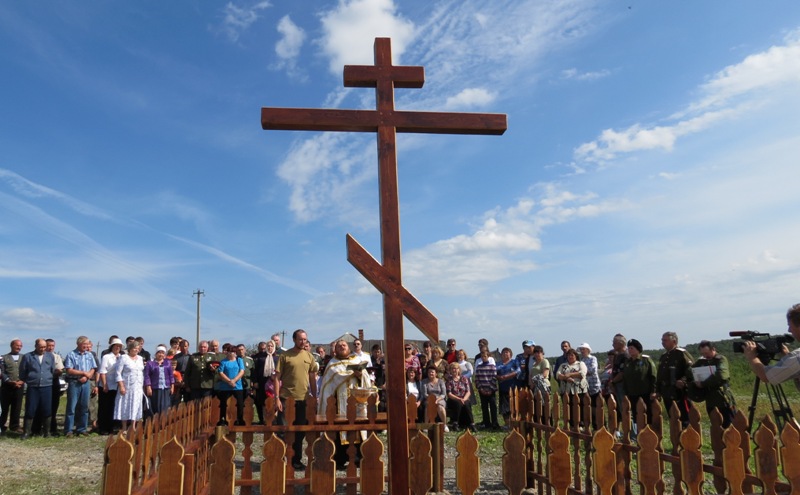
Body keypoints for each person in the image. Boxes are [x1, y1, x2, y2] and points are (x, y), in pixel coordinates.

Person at [317, 339, 373, 469]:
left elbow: (365, 378)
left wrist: (360, 375)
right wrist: (352, 373)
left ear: (349, 348)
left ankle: (358, 457)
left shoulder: (356, 361)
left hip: (356, 401)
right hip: (338, 402)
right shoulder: (332, 364)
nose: (342, 347)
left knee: (358, 428)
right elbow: (331, 383)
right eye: (339, 346)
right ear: (335, 350)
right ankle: (340, 458)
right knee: (339, 428)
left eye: (344, 345)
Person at [274, 329, 318, 471]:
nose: (303, 342)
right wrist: (276, 398)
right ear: (294, 339)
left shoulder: (309, 356)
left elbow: (312, 377)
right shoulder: (285, 356)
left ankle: (296, 460)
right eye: (300, 339)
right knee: (283, 430)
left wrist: (315, 396)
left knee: (300, 432)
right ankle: (279, 459)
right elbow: (276, 378)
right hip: (286, 398)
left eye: (305, 339)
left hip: (303, 399)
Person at [744, 303, 800, 390]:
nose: (789, 330)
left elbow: (766, 376)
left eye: (790, 326)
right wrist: (787, 356)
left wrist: (752, 357)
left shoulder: (797, 357)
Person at [688, 340, 736, 427]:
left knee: (729, 425)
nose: (705, 356)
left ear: (713, 349)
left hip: (722, 397)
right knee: (716, 425)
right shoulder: (702, 361)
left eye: (707, 353)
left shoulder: (720, 359)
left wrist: (703, 383)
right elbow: (690, 372)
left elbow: (721, 375)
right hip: (710, 399)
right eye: (703, 354)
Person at [19, 338, 56, 439]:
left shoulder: (50, 356)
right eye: (41, 347)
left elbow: (52, 370)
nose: (43, 349)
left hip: (46, 386)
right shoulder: (28, 357)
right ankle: (26, 432)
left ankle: (47, 433)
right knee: (30, 409)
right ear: (36, 346)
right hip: (33, 387)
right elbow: (23, 371)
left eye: (44, 347)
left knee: (47, 409)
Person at [655, 331, 693, 427]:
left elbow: (691, 369)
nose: (663, 342)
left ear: (674, 341)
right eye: (662, 340)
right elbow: (660, 375)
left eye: (665, 340)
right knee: (673, 418)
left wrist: (683, 381)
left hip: (679, 392)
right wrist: (658, 390)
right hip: (667, 392)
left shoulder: (681, 354)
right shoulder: (664, 356)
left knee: (684, 418)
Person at [63, 336, 98, 437]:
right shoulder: (71, 355)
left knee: (84, 406)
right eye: (84, 344)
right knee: (72, 407)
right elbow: (69, 369)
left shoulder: (90, 355)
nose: (86, 346)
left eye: (87, 344)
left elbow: (93, 368)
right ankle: (68, 430)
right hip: (74, 382)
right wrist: (83, 373)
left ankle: (82, 428)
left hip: (86, 383)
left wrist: (87, 377)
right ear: (78, 344)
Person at [622, 339, 656, 429]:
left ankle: (650, 434)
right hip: (632, 393)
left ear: (638, 349)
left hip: (645, 393)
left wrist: (653, 391)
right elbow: (625, 378)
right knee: (637, 416)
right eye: (628, 348)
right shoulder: (628, 362)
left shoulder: (646, 360)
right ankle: (640, 435)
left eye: (632, 348)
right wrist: (626, 393)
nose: (630, 350)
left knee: (648, 415)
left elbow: (653, 376)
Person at [114, 340, 145, 432]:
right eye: (134, 348)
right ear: (130, 349)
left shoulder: (140, 358)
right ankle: (124, 426)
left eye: (138, 348)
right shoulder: (124, 358)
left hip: (138, 386)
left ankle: (133, 426)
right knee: (125, 405)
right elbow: (118, 373)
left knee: (135, 405)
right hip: (127, 385)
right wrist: (121, 386)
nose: (136, 350)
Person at [97, 338, 124, 435]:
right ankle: (103, 427)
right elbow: (103, 372)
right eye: (116, 346)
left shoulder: (122, 357)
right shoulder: (106, 357)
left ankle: (112, 426)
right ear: (112, 346)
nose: (117, 348)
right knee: (105, 407)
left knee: (114, 407)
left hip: (117, 385)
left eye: (119, 346)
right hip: (107, 384)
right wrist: (104, 384)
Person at [556, 349, 588, 427]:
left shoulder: (580, 364)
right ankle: (571, 424)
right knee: (568, 407)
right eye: (569, 355)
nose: (570, 357)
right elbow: (558, 375)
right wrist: (566, 378)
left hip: (579, 390)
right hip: (566, 390)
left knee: (579, 407)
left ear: (576, 356)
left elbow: (582, 373)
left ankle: (581, 425)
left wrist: (570, 374)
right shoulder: (563, 365)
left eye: (572, 355)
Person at [216, 346, 245, 426]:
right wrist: (229, 381)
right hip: (225, 387)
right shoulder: (223, 362)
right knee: (224, 404)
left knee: (239, 404)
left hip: (237, 386)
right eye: (229, 352)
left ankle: (240, 420)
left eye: (233, 352)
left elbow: (242, 371)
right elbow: (221, 373)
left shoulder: (239, 360)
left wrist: (234, 380)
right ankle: (223, 420)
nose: (231, 353)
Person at [0, 339, 24, 434]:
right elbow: (2, 371)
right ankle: (1, 425)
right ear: (12, 346)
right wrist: (10, 381)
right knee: (4, 408)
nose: (19, 347)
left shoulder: (24, 357)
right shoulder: (4, 358)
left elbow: (26, 370)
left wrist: (21, 381)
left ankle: (14, 426)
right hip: (7, 387)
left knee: (17, 407)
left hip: (19, 387)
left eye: (20, 345)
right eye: (17, 345)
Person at [144, 345, 175, 417]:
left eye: (162, 353)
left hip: (166, 387)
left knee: (166, 405)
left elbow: (171, 375)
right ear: (156, 353)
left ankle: (164, 421)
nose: (161, 354)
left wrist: (172, 386)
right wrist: (148, 387)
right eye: (159, 352)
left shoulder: (167, 363)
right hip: (155, 388)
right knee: (156, 404)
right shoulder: (150, 363)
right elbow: (147, 376)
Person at [252, 340, 278, 425]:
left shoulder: (277, 358)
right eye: (268, 346)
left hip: (273, 383)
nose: (270, 348)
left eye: (271, 346)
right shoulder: (260, 358)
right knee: (263, 402)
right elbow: (255, 370)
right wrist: (255, 381)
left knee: (273, 401)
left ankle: (273, 420)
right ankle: (264, 420)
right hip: (262, 382)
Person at [446, 362, 475, 432]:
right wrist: (459, 399)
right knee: (458, 403)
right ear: (450, 370)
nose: (454, 370)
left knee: (467, 404)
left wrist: (464, 399)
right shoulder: (449, 380)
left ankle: (472, 424)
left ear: (459, 370)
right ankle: (455, 424)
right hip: (453, 399)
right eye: (452, 369)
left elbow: (468, 391)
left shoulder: (464, 378)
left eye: (456, 368)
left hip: (464, 398)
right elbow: (449, 394)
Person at [577, 343, 601, 428]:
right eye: (581, 349)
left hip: (594, 385)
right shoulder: (581, 360)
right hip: (585, 386)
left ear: (588, 350)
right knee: (586, 406)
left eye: (583, 349)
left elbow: (593, 370)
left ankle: (598, 425)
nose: (582, 351)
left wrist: (582, 373)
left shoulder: (593, 358)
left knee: (596, 407)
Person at [474, 348, 499, 430]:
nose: (483, 357)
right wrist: (481, 389)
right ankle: (487, 423)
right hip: (482, 390)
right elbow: (477, 379)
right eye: (482, 356)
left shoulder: (492, 367)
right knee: (484, 407)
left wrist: (490, 389)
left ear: (488, 357)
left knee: (493, 406)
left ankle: (495, 423)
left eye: (485, 356)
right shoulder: (479, 367)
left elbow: (494, 378)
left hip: (491, 390)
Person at [496, 347, 520, 427]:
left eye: (507, 352)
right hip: (503, 387)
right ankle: (507, 424)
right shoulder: (498, 363)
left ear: (510, 354)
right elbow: (493, 372)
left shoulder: (514, 362)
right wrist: (498, 377)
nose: (505, 354)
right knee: (504, 407)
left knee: (514, 406)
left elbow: (518, 370)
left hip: (513, 387)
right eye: (504, 352)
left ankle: (514, 423)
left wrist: (507, 376)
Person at [45, 339, 64, 436]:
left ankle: (52, 428)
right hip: (43, 383)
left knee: (53, 406)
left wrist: (49, 372)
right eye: (49, 345)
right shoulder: (40, 356)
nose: (50, 348)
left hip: (54, 382)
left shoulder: (57, 357)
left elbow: (60, 370)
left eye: (52, 346)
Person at [420, 366, 448, 431]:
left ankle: (444, 425)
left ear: (436, 373)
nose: (431, 373)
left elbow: (443, 394)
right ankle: (426, 425)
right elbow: (424, 393)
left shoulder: (441, 381)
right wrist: (431, 399)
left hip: (440, 399)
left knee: (440, 407)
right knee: (428, 406)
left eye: (432, 372)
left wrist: (437, 399)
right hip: (428, 399)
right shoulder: (424, 381)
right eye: (429, 372)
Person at [172, 339, 191, 405]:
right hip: (177, 380)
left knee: (187, 400)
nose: (184, 348)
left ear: (188, 346)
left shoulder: (191, 357)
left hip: (187, 380)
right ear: (180, 347)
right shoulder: (176, 357)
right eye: (182, 346)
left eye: (185, 346)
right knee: (176, 400)